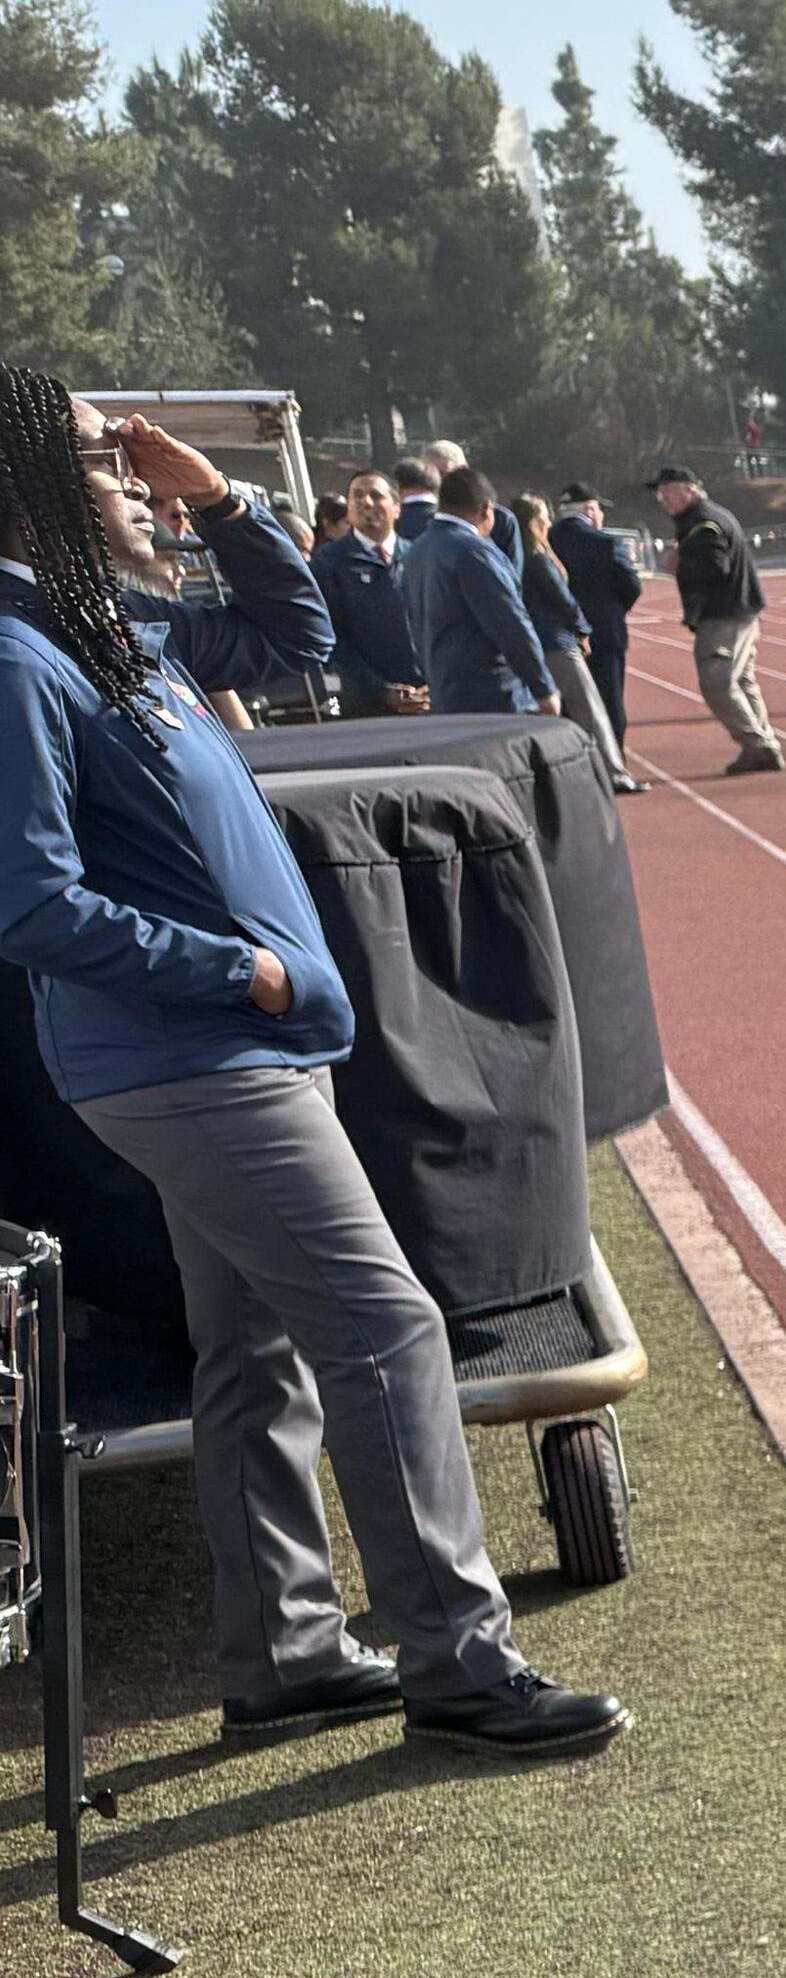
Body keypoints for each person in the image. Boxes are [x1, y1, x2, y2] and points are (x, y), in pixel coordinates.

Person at [0, 375, 626, 1761]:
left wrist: (222, 499)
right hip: (193, 1054)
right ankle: (461, 1666)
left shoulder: (109, 629)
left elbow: (303, 632)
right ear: (28, 487)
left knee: (253, 1345)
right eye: (105, 459)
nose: (137, 476)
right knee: (386, 1327)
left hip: (235, 1048)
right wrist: (246, 974)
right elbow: (29, 904)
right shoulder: (18, 656)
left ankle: (284, 1655)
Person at [645, 461, 781, 772]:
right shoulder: (705, 517)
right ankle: (764, 743)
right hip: (740, 610)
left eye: (669, 492)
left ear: (690, 489)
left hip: (724, 616)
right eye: (660, 494)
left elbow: (715, 568)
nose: (663, 499)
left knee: (717, 685)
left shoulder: (703, 524)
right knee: (743, 681)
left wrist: (678, 562)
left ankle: (758, 745)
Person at [504, 496, 640, 792]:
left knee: (543, 712)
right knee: (588, 708)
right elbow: (562, 599)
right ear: (535, 522)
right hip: (556, 642)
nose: (549, 521)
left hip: (528, 642)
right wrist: (582, 629)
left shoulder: (509, 558)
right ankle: (612, 771)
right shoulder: (538, 559)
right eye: (545, 516)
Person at [397, 465, 553, 714]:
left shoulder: (416, 550)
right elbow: (510, 622)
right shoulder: (474, 551)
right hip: (492, 694)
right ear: (486, 509)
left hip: (443, 690)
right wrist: (543, 688)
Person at [305, 468, 428, 713]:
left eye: (376, 495)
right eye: (357, 496)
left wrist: (433, 684)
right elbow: (331, 639)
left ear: (397, 508)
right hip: (367, 706)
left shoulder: (421, 556)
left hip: (430, 700)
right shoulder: (329, 563)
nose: (366, 503)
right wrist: (380, 690)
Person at [549, 487, 647, 730]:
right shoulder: (607, 543)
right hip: (603, 631)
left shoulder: (545, 540)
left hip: (556, 634)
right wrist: (614, 610)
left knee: (566, 707)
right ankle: (612, 751)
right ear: (590, 510)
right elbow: (632, 586)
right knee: (609, 704)